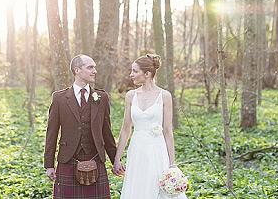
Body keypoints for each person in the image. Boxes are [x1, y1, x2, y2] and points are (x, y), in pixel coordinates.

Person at [44, 54, 120, 199]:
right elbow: (51, 133)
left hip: (96, 158)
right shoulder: (59, 98)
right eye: (90, 67)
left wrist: (115, 160)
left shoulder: (101, 97)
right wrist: (49, 165)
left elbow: (107, 132)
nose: (94, 71)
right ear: (77, 70)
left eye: (95, 67)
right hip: (68, 159)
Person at [113, 54, 187, 198]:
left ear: (147, 74)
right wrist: (117, 158)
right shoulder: (130, 95)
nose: (131, 75)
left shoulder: (164, 96)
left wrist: (172, 163)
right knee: (138, 187)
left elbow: (167, 131)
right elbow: (125, 129)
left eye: (135, 71)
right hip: (137, 150)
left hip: (157, 150)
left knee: (155, 186)